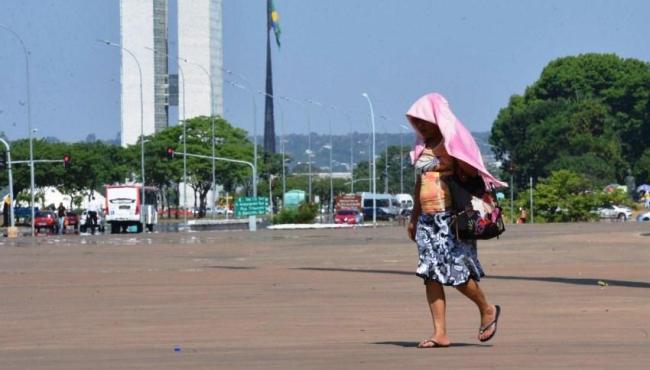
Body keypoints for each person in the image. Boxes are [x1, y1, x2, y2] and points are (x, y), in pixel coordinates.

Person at [406, 93, 506, 348]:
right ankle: (440, 333)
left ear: (436, 118)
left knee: (455, 271)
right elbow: (420, 181)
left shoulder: (452, 140)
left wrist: (455, 155)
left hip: (451, 217)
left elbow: (471, 171)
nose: (420, 127)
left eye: (424, 121)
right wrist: (414, 216)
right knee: (430, 274)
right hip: (428, 219)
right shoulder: (421, 146)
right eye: (416, 122)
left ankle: (486, 308)